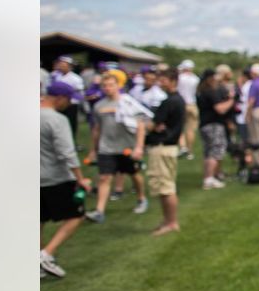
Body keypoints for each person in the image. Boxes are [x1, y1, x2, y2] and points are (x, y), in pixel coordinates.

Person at [85, 72, 153, 222]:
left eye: (111, 85)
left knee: (134, 174)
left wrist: (139, 147)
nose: (108, 88)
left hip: (127, 147)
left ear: (118, 86)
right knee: (104, 177)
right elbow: (96, 129)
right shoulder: (98, 106)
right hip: (106, 147)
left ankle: (141, 198)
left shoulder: (128, 102)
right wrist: (93, 150)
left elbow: (141, 125)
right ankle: (99, 211)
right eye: (104, 86)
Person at [41, 81, 92, 278]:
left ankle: (39, 261)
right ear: (60, 98)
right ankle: (45, 254)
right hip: (56, 177)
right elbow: (67, 152)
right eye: (69, 100)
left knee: (39, 219)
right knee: (76, 215)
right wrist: (81, 178)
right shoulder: (57, 120)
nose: (69, 104)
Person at [145, 69, 185, 236]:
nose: (160, 83)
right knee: (164, 187)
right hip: (167, 146)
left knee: (166, 187)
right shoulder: (175, 100)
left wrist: (150, 126)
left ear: (173, 80)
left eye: (163, 80)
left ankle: (171, 222)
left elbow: (153, 124)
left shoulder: (171, 101)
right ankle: (168, 220)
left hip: (164, 146)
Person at [196, 68, 233, 189]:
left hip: (205, 124)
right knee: (215, 151)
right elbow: (220, 109)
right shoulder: (210, 92)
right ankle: (209, 178)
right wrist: (231, 100)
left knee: (208, 152)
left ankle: (211, 175)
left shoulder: (201, 91)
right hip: (213, 124)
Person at [50, 55, 86, 137]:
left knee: (71, 124)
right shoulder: (55, 75)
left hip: (71, 105)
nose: (61, 67)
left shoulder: (76, 78)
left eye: (64, 65)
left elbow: (80, 93)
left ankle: (72, 141)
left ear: (70, 67)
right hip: (58, 104)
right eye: (61, 65)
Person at [177, 59, 199, 159]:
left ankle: (183, 147)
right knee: (191, 130)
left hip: (181, 104)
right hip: (192, 104)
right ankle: (189, 151)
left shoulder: (180, 78)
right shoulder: (196, 79)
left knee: (180, 127)